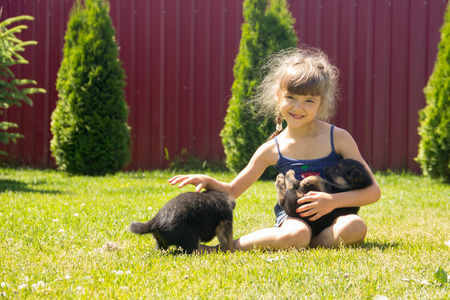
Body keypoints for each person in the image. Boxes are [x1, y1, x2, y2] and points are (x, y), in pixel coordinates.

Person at [168, 46, 381, 251]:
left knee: (355, 226)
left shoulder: (339, 138)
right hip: (294, 219)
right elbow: (233, 191)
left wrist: (332, 201)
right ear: (278, 96)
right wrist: (209, 181)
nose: (298, 107)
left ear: (321, 103)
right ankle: (224, 249)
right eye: (291, 97)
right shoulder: (272, 149)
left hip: (335, 217)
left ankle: (309, 244)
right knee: (296, 234)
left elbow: (372, 191)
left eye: (309, 100)